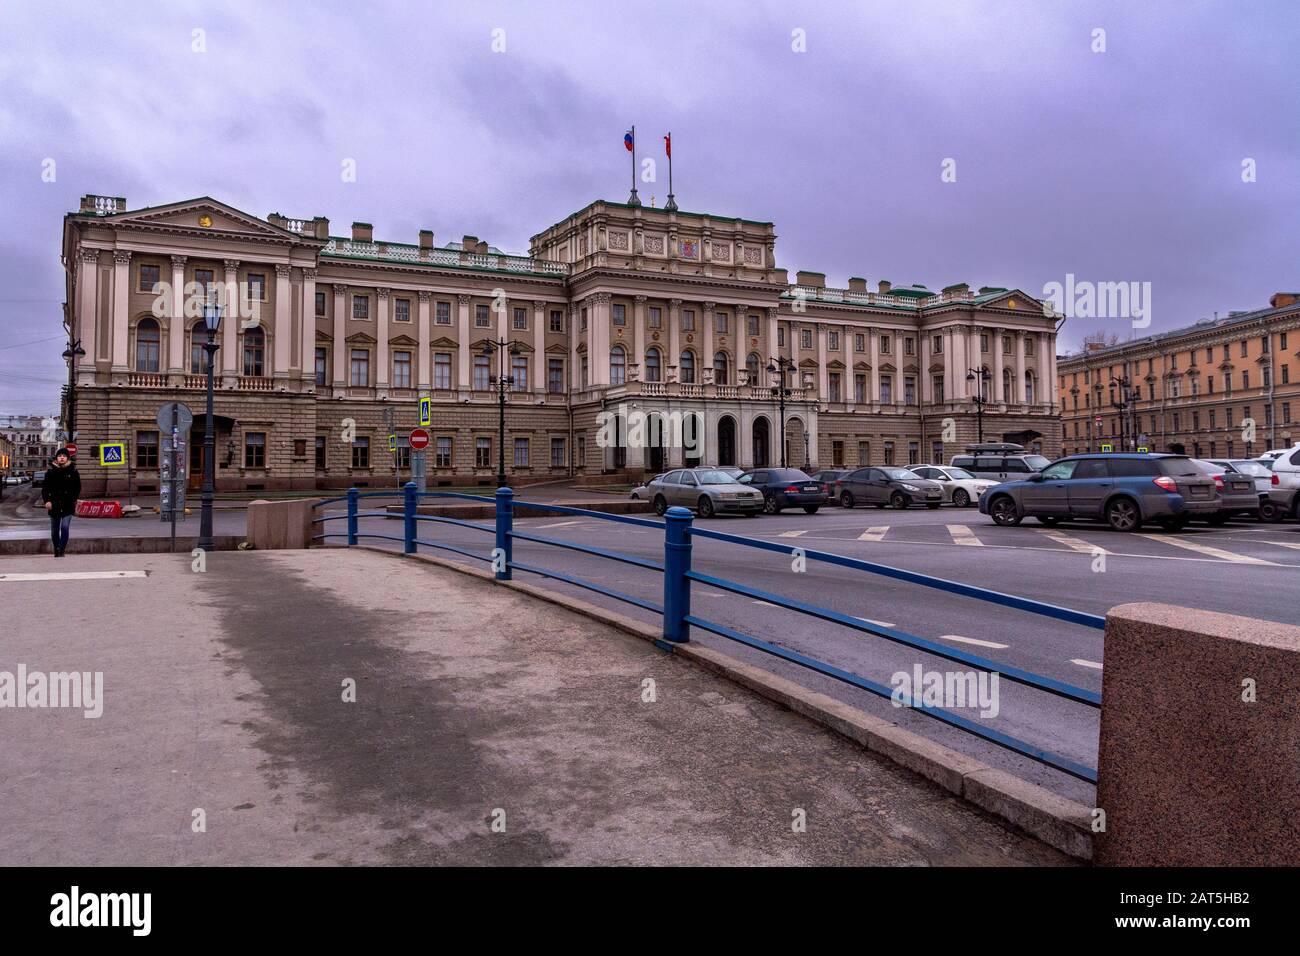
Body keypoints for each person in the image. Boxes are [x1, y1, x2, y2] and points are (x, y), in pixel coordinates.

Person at [42, 447, 81, 557]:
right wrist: (47, 501)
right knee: (55, 531)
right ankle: (56, 548)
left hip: (68, 504)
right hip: (54, 504)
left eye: (64, 456)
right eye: (60, 456)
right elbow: (45, 488)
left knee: (64, 527)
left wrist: (74, 499)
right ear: (56, 458)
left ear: (67, 458)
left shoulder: (73, 471)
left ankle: (61, 549)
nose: (62, 458)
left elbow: (77, 487)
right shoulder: (50, 472)